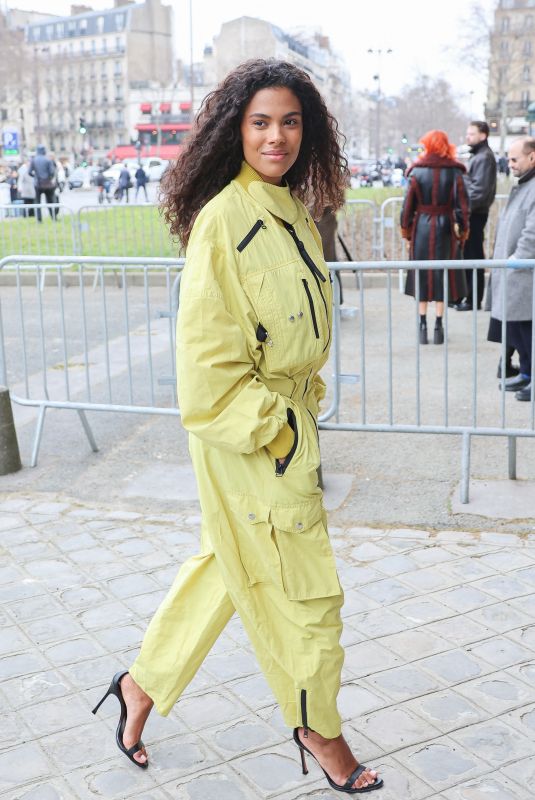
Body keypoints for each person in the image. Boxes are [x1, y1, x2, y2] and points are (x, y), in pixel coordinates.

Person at [92, 58, 383, 795]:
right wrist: (280, 430)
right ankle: (318, 728)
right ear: (235, 129)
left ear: (305, 131)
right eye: (260, 122)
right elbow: (206, 374)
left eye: (289, 121)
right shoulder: (225, 220)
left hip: (281, 423)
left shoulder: (289, 210)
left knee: (229, 562)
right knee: (308, 594)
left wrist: (304, 400)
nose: (276, 136)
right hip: (247, 433)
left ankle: (139, 686)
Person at [400, 129, 470, 344]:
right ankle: (439, 325)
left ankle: (422, 324)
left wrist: (406, 229)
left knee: (422, 272)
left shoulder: (416, 172)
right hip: (445, 228)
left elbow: (407, 207)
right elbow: (463, 207)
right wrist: (463, 230)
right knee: (442, 273)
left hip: (421, 227)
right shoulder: (455, 172)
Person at [487, 136, 535, 402]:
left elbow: (532, 232)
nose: (510, 163)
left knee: (527, 329)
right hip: (514, 271)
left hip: (524, 272)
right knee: (516, 328)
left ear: (532, 157)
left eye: (514, 159)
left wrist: (518, 258)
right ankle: (527, 372)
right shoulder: (525, 184)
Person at [455, 121, 497, 312]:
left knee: (473, 255)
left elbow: (479, 192)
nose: (468, 137)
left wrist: (463, 210)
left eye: (471, 133)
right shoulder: (480, 156)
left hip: (474, 214)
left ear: (483, 135)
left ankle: (473, 299)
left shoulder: (484, 158)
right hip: (473, 212)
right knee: (470, 255)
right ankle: (470, 297)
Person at [29, 145, 58, 221]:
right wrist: (48, 178)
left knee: (38, 202)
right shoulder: (48, 160)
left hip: (38, 184)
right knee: (50, 201)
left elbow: (29, 172)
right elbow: (52, 172)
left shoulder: (34, 160)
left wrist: (35, 176)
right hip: (47, 184)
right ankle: (53, 218)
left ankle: (39, 219)